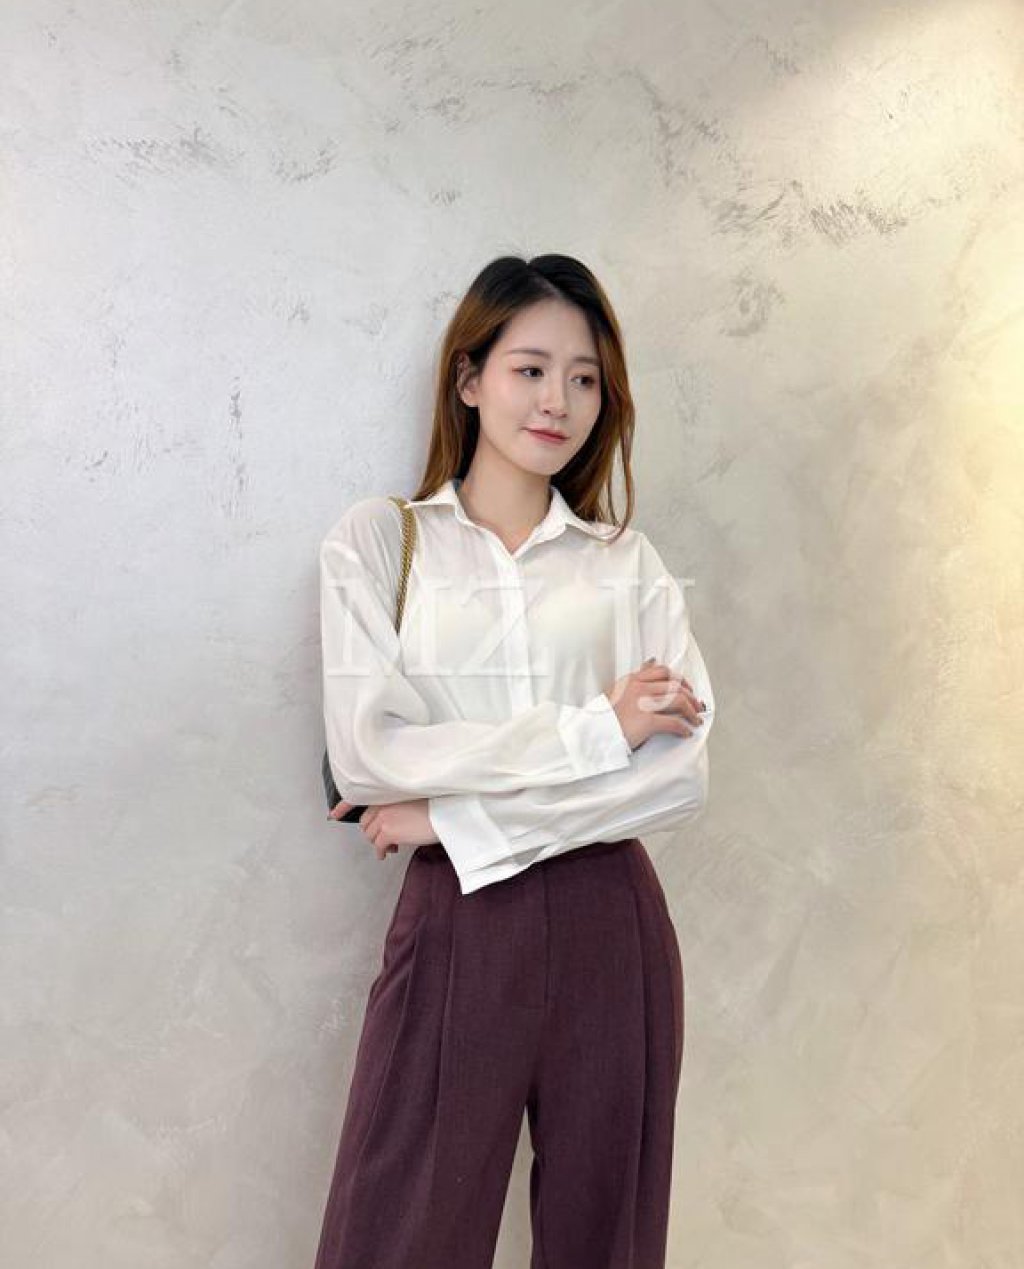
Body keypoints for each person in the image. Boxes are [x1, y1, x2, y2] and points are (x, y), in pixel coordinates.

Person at [313, 253, 715, 1269]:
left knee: (606, 1238)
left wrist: (453, 817)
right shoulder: (381, 542)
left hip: (609, 918)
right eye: (530, 369)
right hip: (456, 921)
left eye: (584, 379)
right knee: (400, 1230)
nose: (557, 401)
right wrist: (596, 731)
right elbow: (368, 756)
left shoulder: (626, 563)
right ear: (469, 377)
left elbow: (679, 774)